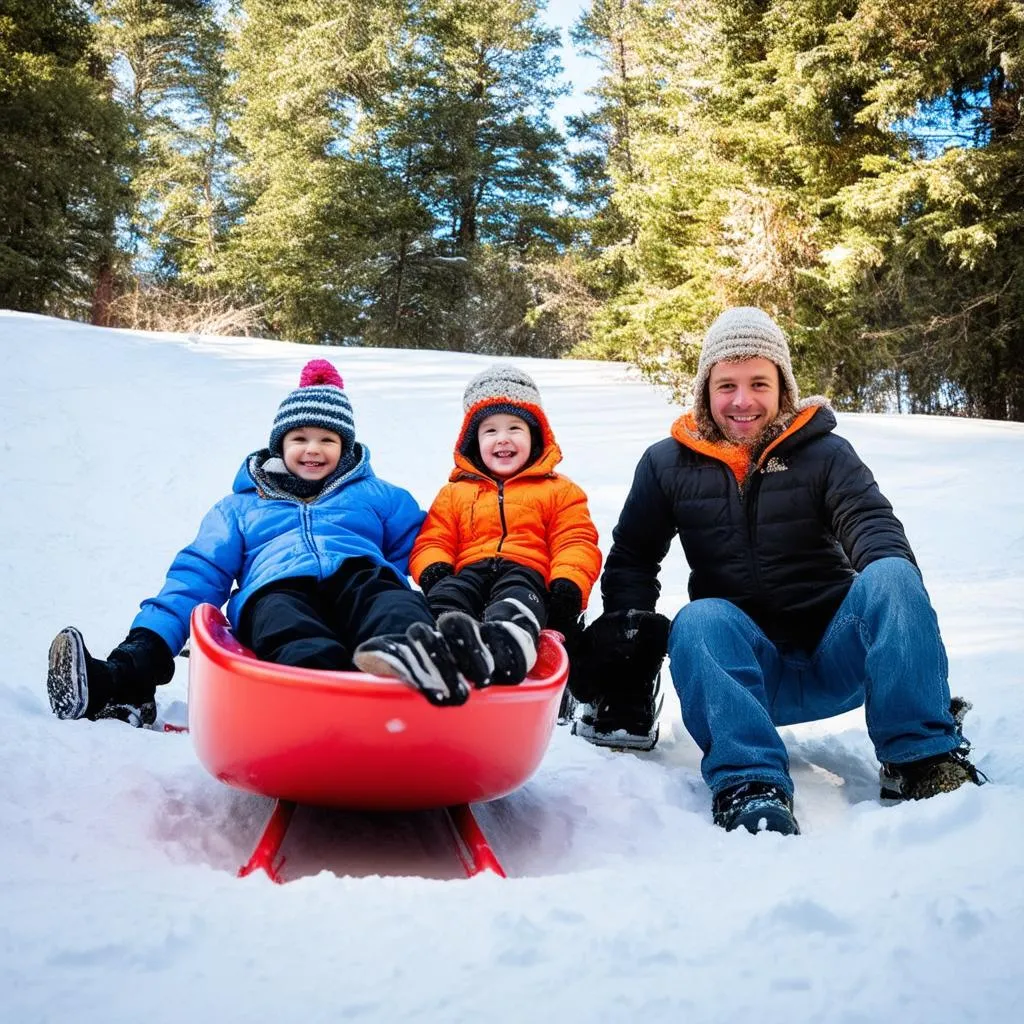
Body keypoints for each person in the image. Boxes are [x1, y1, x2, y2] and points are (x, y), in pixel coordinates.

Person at [572, 306, 985, 835]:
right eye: (727, 385)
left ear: (783, 388)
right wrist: (626, 649)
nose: (742, 401)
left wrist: (892, 602)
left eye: (758, 383)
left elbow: (869, 521)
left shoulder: (826, 454)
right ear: (705, 391)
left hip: (839, 656)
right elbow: (633, 555)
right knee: (699, 618)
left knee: (892, 573)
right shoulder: (666, 463)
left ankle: (922, 759)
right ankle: (749, 781)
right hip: (745, 675)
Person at [47, 359, 469, 727]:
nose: (313, 450)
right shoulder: (239, 508)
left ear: (345, 448)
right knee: (282, 618)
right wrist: (147, 646)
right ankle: (317, 690)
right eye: (299, 439)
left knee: (389, 598)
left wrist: (476, 594)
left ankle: (413, 666)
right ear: (279, 445)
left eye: (327, 440)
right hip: (276, 589)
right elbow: (197, 577)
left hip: (359, 581)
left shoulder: (382, 497)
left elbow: (427, 551)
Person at [408, 363, 602, 688]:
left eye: (515, 428)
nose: (503, 439)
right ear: (473, 441)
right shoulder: (454, 492)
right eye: (490, 430)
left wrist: (568, 584)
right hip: (467, 572)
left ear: (535, 436)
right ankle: (440, 643)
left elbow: (576, 541)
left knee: (516, 598)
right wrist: (434, 570)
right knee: (447, 597)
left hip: (527, 574)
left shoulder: (559, 490)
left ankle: (507, 640)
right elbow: (433, 539)